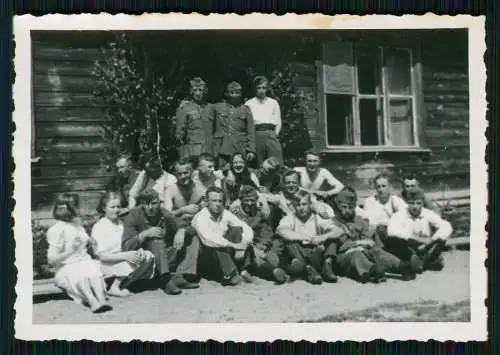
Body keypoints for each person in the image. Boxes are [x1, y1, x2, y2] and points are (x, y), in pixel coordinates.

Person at [122, 188, 200, 295]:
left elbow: (189, 227)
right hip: (145, 260)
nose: (150, 208)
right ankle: (165, 280)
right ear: (141, 204)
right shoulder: (133, 215)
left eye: (154, 203)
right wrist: (144, 235)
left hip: (164, 256)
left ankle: (180, 276)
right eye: (146, 204)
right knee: (156, 239)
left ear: (159, 203)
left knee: (193, 238)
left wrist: (181, 230)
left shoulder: (163, 213)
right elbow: (126, 246)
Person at [331, 187, 414, 283]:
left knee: (375, 251)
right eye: (344, 207)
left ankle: (401, 266)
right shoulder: (334, 222)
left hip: (363, 251)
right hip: (343, 258)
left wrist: (361, 245)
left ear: (355, 207)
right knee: (356, 255)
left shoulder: (360, 221)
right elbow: (340, 246)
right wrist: (358, 244)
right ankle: (373, 271)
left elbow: (369, 241)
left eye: (351, 207)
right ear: (338, 206)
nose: (347, 211)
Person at [46, 193, 111, 313]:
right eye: (78, 206)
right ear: (71, 208)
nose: (81, 209)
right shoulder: (56, 229)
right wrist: (71, 250)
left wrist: (91, 241)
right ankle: (92, 301)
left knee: (93, 272)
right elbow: (51, 260)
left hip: (84, 261)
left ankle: (101, 300)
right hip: (66, 266)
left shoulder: (77, 225)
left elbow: (83, 240)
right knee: (79, 275)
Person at [91, 191, 155, 297]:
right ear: (103, 208)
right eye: (112, 207)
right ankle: (114, 286)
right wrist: (126, 256)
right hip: (107, 263)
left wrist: (139, 250)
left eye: (118, 207)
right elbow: (102, 256)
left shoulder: (122, 224)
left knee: (147, 256)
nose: (116, 210)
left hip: (123, 259)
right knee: (131, 261)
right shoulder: (99, 226)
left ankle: (122, 285)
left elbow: (129, 244)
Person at [191, 186, 254, 286]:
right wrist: (234, 245)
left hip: (221, 255)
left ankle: (236, 270)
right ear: (207, 202)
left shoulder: (225, 213)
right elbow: (209, 239)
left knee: (237, 229)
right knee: (218, 243)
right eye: (214, 201)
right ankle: (231, 273)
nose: (218, 204)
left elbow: (245, 227)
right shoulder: (201, 216)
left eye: (220, 201)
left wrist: (243, 244)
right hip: (204, 256)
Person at [276, 190, 340, 284]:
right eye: (298, 205)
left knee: (332, 237)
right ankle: (309, 270)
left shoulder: (317, 218)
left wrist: (323, 236)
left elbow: (338, 231)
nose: (301, 208)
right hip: (299, 252)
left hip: (316, 252)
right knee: (289, 242)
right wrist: (307, 237)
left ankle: (327, 268)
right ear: (293, 206)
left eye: (304, 204)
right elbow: (281, 231)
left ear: (310, 205)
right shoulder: (289, 218)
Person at [230, 185, 290, 284]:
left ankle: (279, 273)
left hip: (261, 246)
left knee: (274, 261)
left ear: (256, 200)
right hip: (244, 248)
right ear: (241, 200)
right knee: (257, 261)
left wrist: (262, 246)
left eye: (252, 200)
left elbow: (267, 233)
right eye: (246, 200)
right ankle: (272, 275)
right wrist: (254, 248)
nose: (249, 203)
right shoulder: (235, 215)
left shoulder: (260, 213)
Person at [387, 187, 453, 272]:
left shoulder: (427, 213)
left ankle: (421, 262)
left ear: (422, 203)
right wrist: (416, 239)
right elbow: (391, 231)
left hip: (426, 247)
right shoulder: (400, 214)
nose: (415, 206)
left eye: (418, 203)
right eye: (412, 203)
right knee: (396, 240)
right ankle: (423, 262)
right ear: (407, 203)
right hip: (409, 246)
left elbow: (447, 226)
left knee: (441, 240)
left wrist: (430, 241)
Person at [212, 81, 256, 169]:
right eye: (232, 93)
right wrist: (187, 103)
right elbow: (203, 108)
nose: (234, 95)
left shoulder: (246, 109)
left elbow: (251, 131)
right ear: (227, 94)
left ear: (241, 94)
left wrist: (251, 150)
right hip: (223, 148)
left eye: (237, 93)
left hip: (240, 148)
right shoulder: (217, 107)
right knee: (222, 173)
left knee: (240, 172)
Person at [245, 75, 284, 165]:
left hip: (271, 134)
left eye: (263, 88)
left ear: (267, 88)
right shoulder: (249, 104)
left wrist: (275, 134)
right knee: (260, 163)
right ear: (255, 89)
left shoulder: (273, 103)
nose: (261, 90)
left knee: (276, 162)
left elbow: (278, 121)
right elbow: (247, 125)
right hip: (257, 134)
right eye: (259, 88)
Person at [175, 77, 214, 161]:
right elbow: (179, 135)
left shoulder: (212, 108)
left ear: (205, 91)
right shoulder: (185, 108)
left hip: (209, 151)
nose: (198, 93)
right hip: (193, 152)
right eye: (195, 90)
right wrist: (183, 155)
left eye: (200, 90)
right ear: (191, 91)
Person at [363, 173, 408, 238]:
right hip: (375, 236)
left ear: (389, 187)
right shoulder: (369, 202)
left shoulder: (396, 200)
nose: (381, 190)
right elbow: (368, 223)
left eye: (383, 186)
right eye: (378, 186)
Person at [164, 159, 206, 223]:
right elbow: (166, 215)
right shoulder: (170, 190)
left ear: (191, 172)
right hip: (177, 225)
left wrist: (192, 215)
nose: (182, 176)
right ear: (175, 174)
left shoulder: (201, 189)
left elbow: (207, 213)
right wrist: (181, 210)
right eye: (179, 174)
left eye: (185, 173)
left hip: (197, 223)